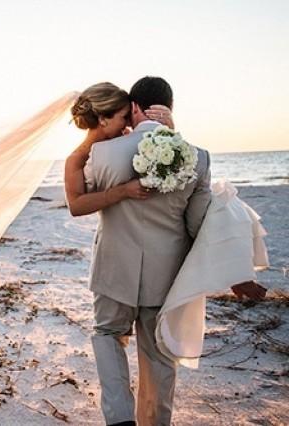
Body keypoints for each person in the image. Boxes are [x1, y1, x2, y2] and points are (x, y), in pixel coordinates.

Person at [64, 77, 266, 426]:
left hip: (113, 270)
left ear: (135, 108)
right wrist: (235, 271)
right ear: (169, 109)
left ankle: (119, 418)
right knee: (159, 354)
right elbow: (200, 222)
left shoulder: (102, 153)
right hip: (165, 274)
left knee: (108, 335)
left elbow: (81, 199)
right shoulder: (196, 158)